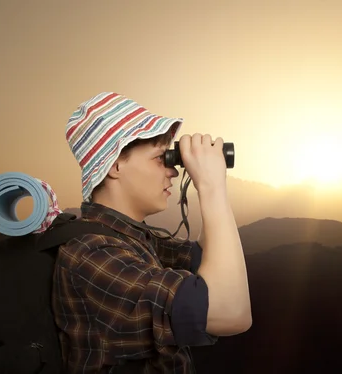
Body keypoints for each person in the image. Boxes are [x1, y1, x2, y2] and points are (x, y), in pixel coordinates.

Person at [52, 92, 252, 373]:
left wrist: (208, 179)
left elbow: (211, 259)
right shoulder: (91, 254)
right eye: (161, 158)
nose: (172, 171)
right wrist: (211, 188)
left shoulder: (132, 237)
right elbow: (231, 313)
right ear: (115, 165)